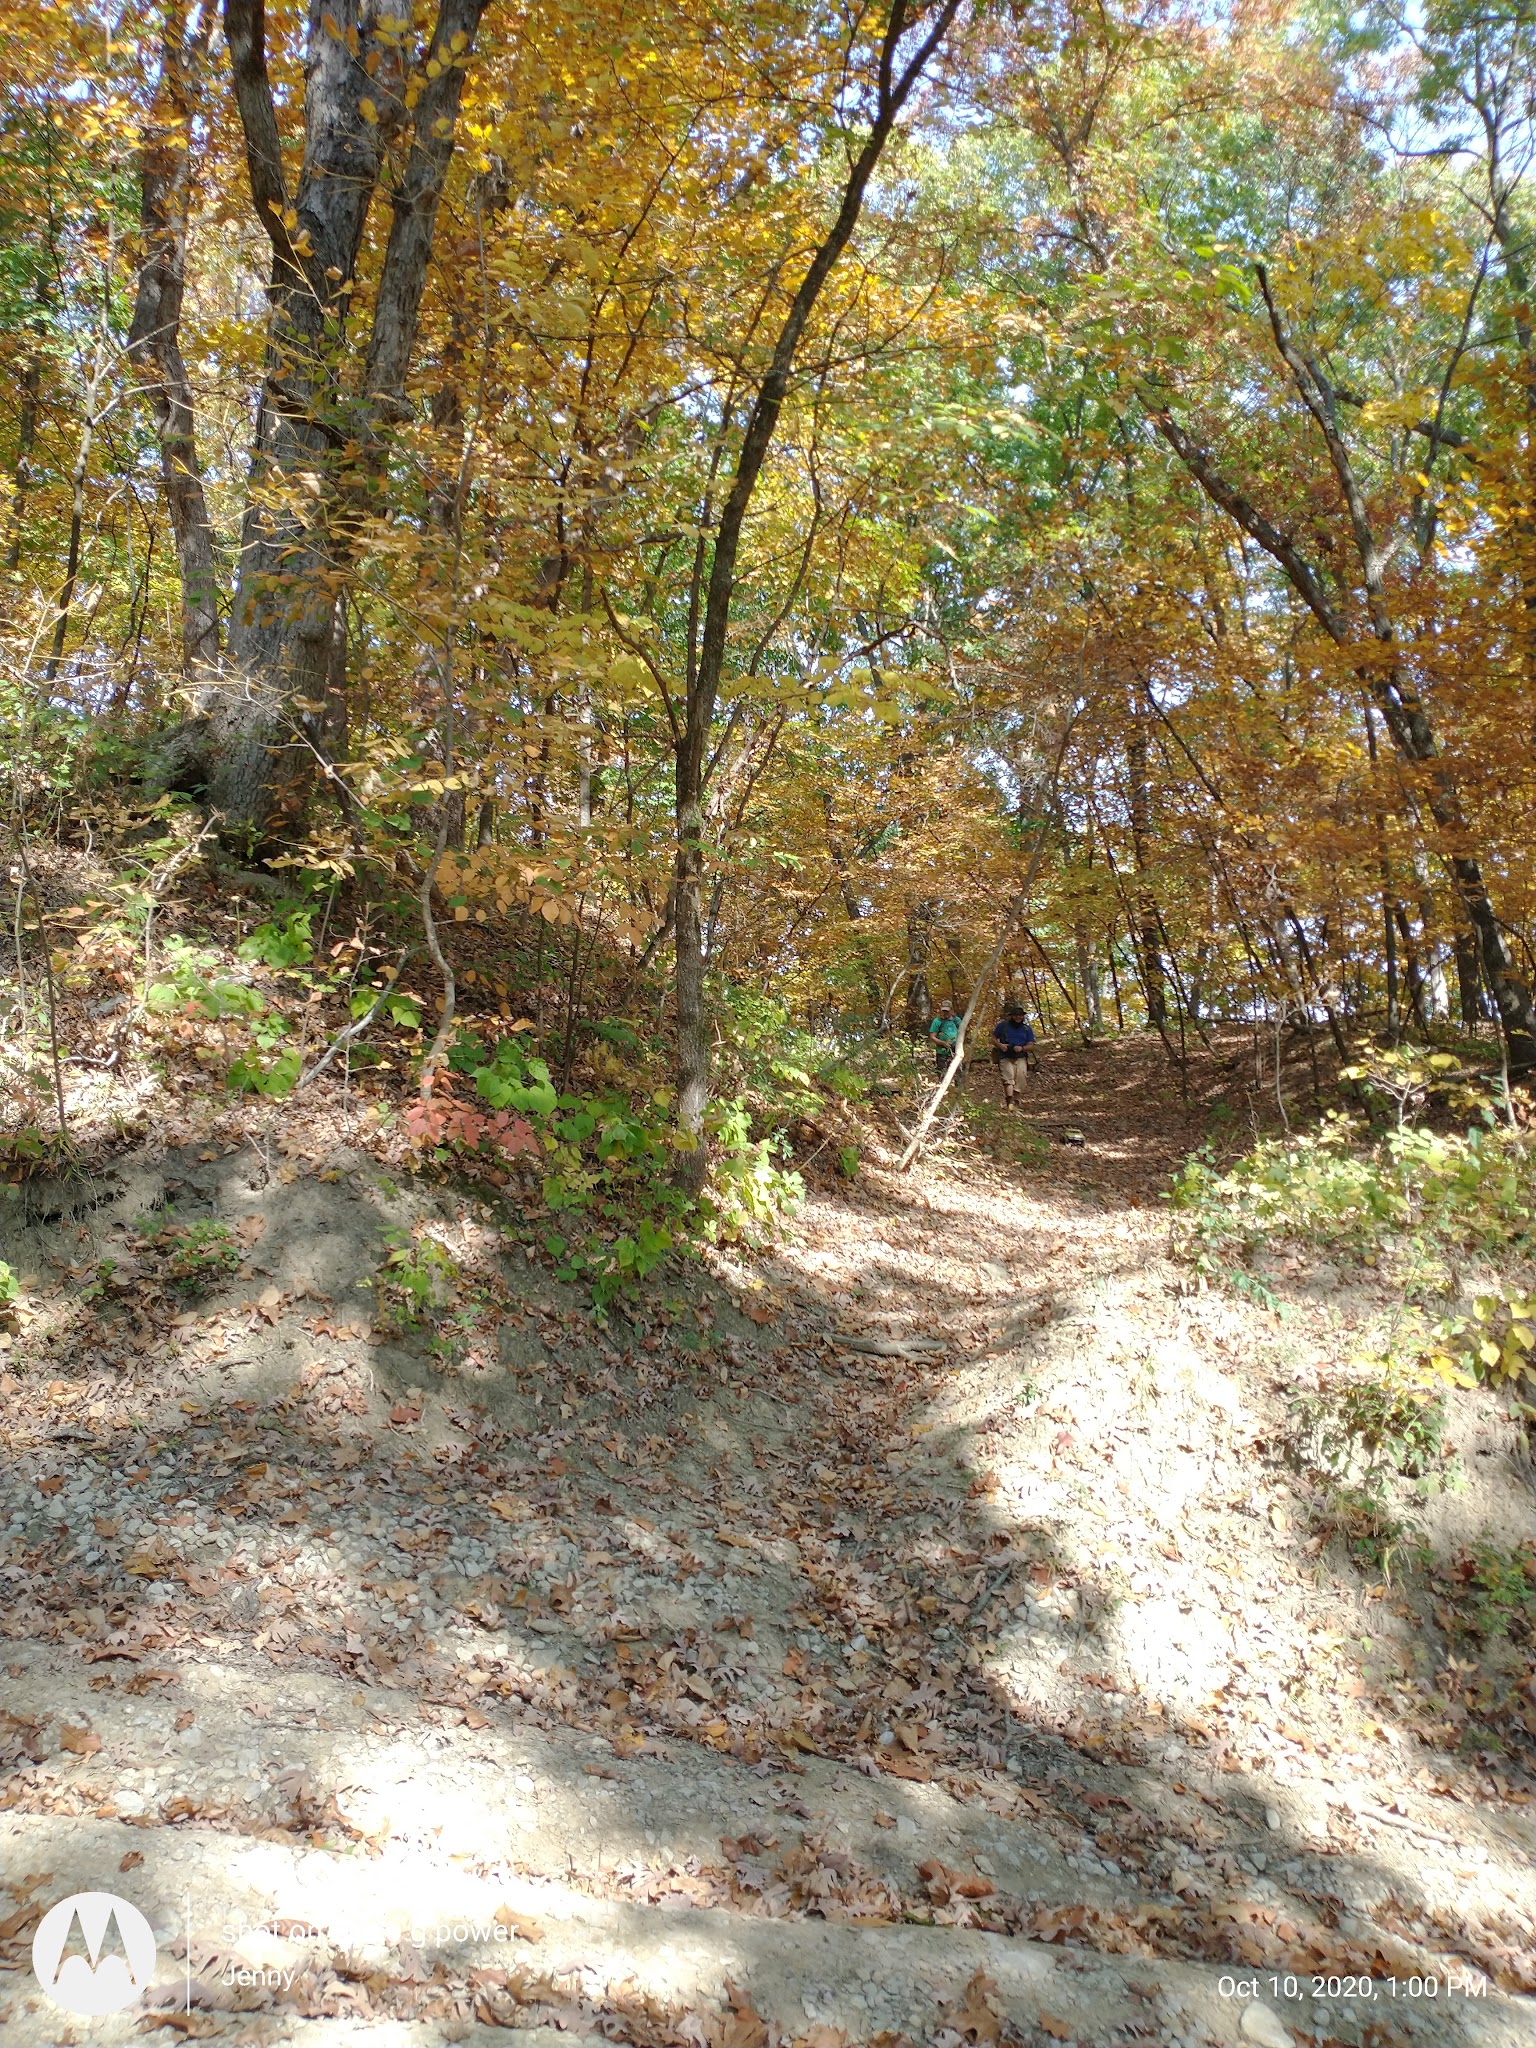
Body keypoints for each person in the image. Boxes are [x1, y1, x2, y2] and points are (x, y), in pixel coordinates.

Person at [991, 1003, 1036, 1107]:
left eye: (1020, 1015)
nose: (1018, 1017)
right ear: (1011, 1016)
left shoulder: (1027, 1029)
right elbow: (993, 1038)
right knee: (1008, 1079)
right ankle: (1010, 1101)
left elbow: (1031, 1045)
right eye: (1015, 1015)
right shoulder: (1003, 1025)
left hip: (1021, 1057)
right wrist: (1000, 1045)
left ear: (1023, 1016)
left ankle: (1017, 1101)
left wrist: (1022, 1048)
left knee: (1020, 1079)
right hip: (1005, 1055)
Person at [928, 1002, 960, 1080]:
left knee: (958, 1074)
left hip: (955, 1051)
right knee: (942, 1075)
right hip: (942, 1052)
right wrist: (943, 1043)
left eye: (947, 1011)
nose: (945, 1013)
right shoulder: (937, 1021)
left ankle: (958, 1090)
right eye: (943, 1011)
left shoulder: (957, 1020)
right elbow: (932, 1037)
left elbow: (962, 1033)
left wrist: (958, 1044)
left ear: (952, 1010)